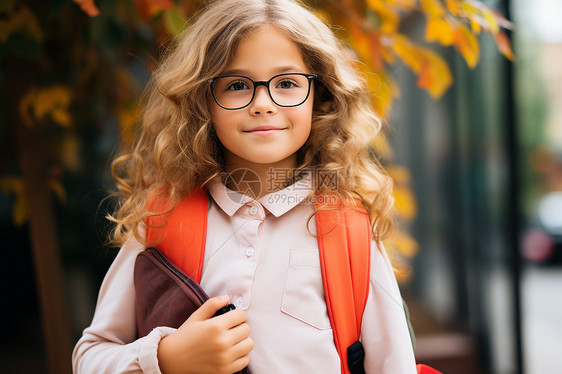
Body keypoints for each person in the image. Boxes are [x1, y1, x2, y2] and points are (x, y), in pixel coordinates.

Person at [72, 0, 417, 373]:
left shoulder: (348, 230)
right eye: (237, 85)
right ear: (203, 100)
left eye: (286, 83)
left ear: (321, 96)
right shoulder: (163, 219)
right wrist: (166, 358)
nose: (263, 104)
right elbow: (90, 356)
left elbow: (394, 364)